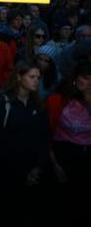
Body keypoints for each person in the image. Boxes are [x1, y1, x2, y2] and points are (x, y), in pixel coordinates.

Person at [0, 61, 49, 226]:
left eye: (38, 77)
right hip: (8, 174)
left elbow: (44, 137)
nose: (36, 81)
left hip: (33, 171)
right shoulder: (3, 102)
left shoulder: (38, 105)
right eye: (31, 77)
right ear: (19, 77)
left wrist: (38, 167)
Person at [45, 61, 91, 224]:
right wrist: (54, 162)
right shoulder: (58, 100)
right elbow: (46, 133)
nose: (89, 84)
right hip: (63, 153)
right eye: (85, 78)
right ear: (75, 79)